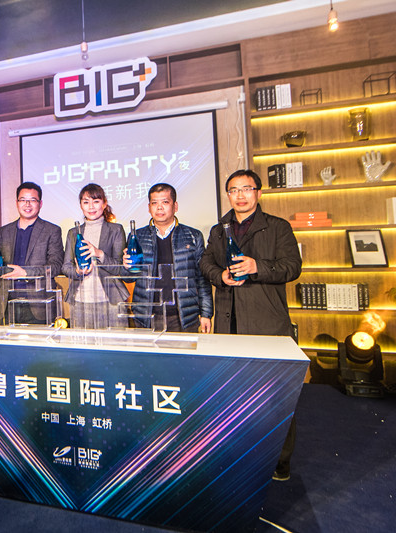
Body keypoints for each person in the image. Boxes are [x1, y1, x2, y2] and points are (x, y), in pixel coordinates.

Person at [200, 169, 302, 481]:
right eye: (234, 190)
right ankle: (239, 452)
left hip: (266, 322)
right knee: (232, 394)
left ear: (258, 192)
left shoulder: (278, 227)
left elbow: (292, 267)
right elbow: (206, 263)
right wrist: (220, 276)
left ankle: (280, 460)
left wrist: (258, 266)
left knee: (275, 395)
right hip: (228, 322)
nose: (240, 195)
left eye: (247, 188)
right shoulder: (219, 230)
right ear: (228, 195)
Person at [124, 183, 213, 333]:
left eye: (165, 202)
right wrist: (126, 267)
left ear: (175, 206)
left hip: (183, 317)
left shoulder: (193, 236)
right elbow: (129, 277)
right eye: (154, 203)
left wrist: (206, 313)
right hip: (147, 316)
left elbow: (202, 278)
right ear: (149, 208)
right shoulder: (137, 237)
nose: (159, 208)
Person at [0, 182, 64, 324]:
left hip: (39, 305)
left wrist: (26, 273)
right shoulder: (4, 232)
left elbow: (56, 266)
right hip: (8, 303)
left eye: (32, 200)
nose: (27, 204)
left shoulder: (52, 231)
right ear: (17, 203)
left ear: (40, 204)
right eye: (23, 200)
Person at [61, 183, 129, 329]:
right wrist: (77, 271)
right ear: (81, 205)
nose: (91, 207)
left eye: (96, 201)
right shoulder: (73, 233)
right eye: (86, 202)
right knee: (83, 343)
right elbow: (66, 267)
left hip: (111, 300)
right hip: (80, 300)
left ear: (104, 204)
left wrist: (100, 254)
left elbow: (120, 268)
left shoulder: (116, 230)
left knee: (115, 342)